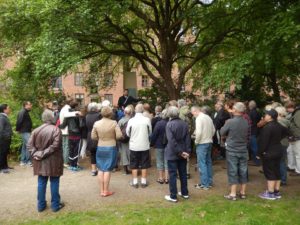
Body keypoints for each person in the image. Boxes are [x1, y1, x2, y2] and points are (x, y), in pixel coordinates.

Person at [28, 110, 64, 212]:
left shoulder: (35, 130)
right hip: (53, 161)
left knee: (41, 182)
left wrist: (38, 154)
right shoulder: (56, 130)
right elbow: (55, 146)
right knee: (54, 181)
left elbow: (30, 146)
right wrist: (40, 153)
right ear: (52, 118)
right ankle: (55, 205)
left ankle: (41, 205)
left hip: (41, 161)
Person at [220, 102, 250, 201]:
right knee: (243, 170)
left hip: (232, 149)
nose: (231, 110)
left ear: (236, 110)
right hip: (243, 149)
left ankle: (233, 194)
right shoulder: (246, 121)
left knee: (233, 171)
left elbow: (221, 132)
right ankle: (243, 192)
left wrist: (225, 125)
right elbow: (248, 135)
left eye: (233, 108)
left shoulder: (230, 122)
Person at [258, 109, 288, 200]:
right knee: (276, 171)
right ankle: (276, 191)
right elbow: (287, 132)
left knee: (269, 171)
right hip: (278, 150)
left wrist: (259, 153)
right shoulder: (279, 125)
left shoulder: (267, 127)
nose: (264, 116)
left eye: (266, 115)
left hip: (269, 152)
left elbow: (264, 142)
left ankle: (270, 193)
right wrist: (277, 139)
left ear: (270, 116)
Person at [92, 106, 122, 197]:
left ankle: (102, 191)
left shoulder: (96, 123)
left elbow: (93, 137)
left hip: (100, 146)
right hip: (111, 147)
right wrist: (112, 138)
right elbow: (119, 136)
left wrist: (100, 139)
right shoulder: (114, 123)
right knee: (108, 169)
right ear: (110, 113)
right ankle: (106, 190)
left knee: (101, 169)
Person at [164, 106, 191, 202]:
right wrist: (186, 151)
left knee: (173, 175)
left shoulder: (169, 125)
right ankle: (185, 193)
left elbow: (171, 141)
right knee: (183, 173)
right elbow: (187, 139)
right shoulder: (184, 124)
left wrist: (182, 152)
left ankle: (173, 196)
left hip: (173, 153)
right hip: (182, 152)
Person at [126, 103, 152, 188]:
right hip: (144, 144)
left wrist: (133, 137)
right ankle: (143, 182)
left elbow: (127, 133)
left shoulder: (131, 120)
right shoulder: (147, 120)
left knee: (134, 164)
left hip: (134, 145)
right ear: (143, 110)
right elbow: (150, 132)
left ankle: (135, 182)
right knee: (144, 163)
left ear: (135, 110)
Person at [191, 106, 215, 190]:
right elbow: (213, 130)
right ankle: (209, 182)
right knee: (208, 162)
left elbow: (199, 132)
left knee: (202, 163)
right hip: (209, 142)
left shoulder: (198, 118)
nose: (193, 115)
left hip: (202, 143)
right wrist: (209, 137)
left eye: (192, 113)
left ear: (195, 111)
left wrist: (196, 141)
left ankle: (205, 184)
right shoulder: (208, 117)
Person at [59, 101, 83, 171]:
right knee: (76, 150)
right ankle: (75, 165)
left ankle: (72, 165)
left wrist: (58, 126)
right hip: (77, 134)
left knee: (71, 149)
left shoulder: (67, 115)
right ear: (75, 107)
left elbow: (63, 125)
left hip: (70, 134)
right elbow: (81, 125)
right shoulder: (77, 115)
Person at [151, 109, 169, 184]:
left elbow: (154, 135)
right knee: (167, 162)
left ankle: (161, 178)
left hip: (159, 145)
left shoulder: (159, 123)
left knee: (159, 161)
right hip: (168, 145)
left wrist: (152, 143)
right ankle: (167, 178)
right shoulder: (170, 123)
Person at [275, 106, 290, 185]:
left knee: (279, 162)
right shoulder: (287, 121)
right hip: (285, 142)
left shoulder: (279, 122)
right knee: (283, 161)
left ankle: (280, 179)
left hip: (279, 143)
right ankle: (283, 179)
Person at [86, 102, 101, 176]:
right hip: (97, 135)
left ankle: (93, 170)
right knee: (99, 152)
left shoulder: (87, 116)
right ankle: (99, 168)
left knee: (92, 153)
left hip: (89, 135)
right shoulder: (99, 115)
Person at [16, 101, 33, 166]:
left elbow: (26, 122)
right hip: (24, 131)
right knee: (29, 145)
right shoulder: (23, 112)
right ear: (25, 105)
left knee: (25, 146)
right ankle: (28, 161)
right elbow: (19, 121)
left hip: (26, 131)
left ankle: (23, 161)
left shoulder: (25, 112)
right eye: (29, 104)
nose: (31, 105)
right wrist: (18, 129)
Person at [118, 106, 133, 175]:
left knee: (124, 153)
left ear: (124, 112)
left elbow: (118, 131)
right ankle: (133, 168)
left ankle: (126, 170)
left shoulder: (121, 120)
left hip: (123, 139)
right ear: (131, 112)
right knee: (131, 153)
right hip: (132, 139)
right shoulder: (133, 120)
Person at [0, 104, 13, 173]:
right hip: (3, 139)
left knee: (5, 152)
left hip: (6, 138)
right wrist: (6, 136)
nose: (9, 109)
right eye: (8, 108)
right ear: (4, 110)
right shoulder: (2, 117)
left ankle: (5, 166)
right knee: (2, 152)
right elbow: (1, 129)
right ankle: (2, 168)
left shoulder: (4, 117)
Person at [248, 100, 261, 166]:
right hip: (256, 131)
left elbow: (250, 123)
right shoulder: (257, 112)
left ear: (250, 106)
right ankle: (256, 160)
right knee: (255, 147)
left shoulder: (251, 113)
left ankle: (257, 161)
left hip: (253, 131)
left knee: (254, 147)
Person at [289, 102, 300, 176]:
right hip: (296, 136)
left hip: (297, 136)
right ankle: (297, 169)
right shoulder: (297, 112)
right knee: (296, 154)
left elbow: (298, 125)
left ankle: (298, 170)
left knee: (298, 155)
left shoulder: (298, 113)